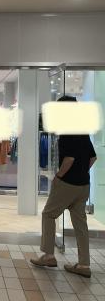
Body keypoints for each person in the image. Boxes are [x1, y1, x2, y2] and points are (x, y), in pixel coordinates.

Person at [31, 95, 97, 278]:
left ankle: (48, 256)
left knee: (48, 214)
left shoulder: (67, 131)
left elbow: (69, 159)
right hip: (83, 184)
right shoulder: (82, 130)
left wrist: (59, 176)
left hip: (67, 183)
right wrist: (81, 171)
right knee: (80, 224)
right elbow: (93, 157)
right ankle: (84, 264)